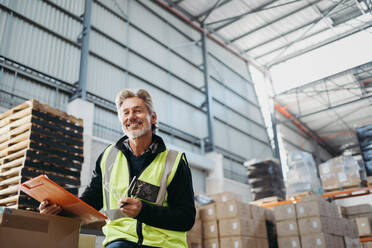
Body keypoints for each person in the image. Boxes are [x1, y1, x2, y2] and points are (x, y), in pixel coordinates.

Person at [39, 89, 196, 248]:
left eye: (137, 111)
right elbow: (89, 203)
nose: (131, 117)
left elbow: (186, 219)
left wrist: (143, 211)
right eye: (125, 113)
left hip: (162, 245)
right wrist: (59, 212)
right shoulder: (108, 157)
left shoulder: (174, 161)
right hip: (119, 243)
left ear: (153, 117)